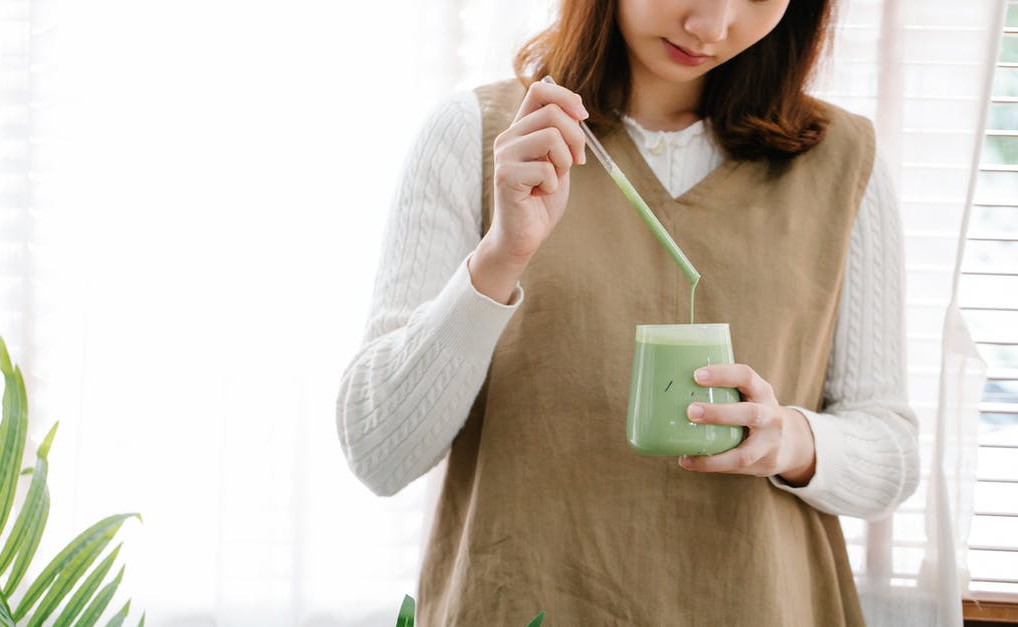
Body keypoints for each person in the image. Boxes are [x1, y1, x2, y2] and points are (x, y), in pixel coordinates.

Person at [336, 0, 919, 624]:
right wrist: (501, 258)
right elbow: (379, 454)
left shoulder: (841, 159)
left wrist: (794, 441)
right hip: (526, 602)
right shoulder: (482, 136)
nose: (712, 26)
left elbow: (893, 453)